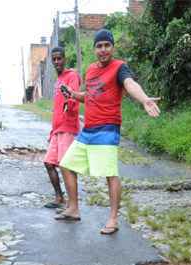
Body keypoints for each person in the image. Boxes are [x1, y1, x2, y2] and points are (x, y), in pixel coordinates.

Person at [57, 29, 160, 234]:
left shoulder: (119, 67)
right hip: (87, 130)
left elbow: (130, 84)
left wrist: (144, 99)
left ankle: (113, 219)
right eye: (99, 46)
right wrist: (73, 94)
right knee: (66, 165)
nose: (103, 50)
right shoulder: (91, 70)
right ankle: (74, 208)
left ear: (112, 47)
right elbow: (90, 95)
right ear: (95, 49)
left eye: (107, 45)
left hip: (107, 129)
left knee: (109, 174)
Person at [43, 47, 81, 209]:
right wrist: (52, 131)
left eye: (60, 58)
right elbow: (57, 108)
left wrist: (69, 100)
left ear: (65, 59)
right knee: (49, 163)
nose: (57, 61)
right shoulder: (58, 80)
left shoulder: (72, 76)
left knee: (67, 166)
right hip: (57, 130)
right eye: (54, 59)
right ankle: (59, 198)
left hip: (68, 128)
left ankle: (72, 205)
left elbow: (74, 100)